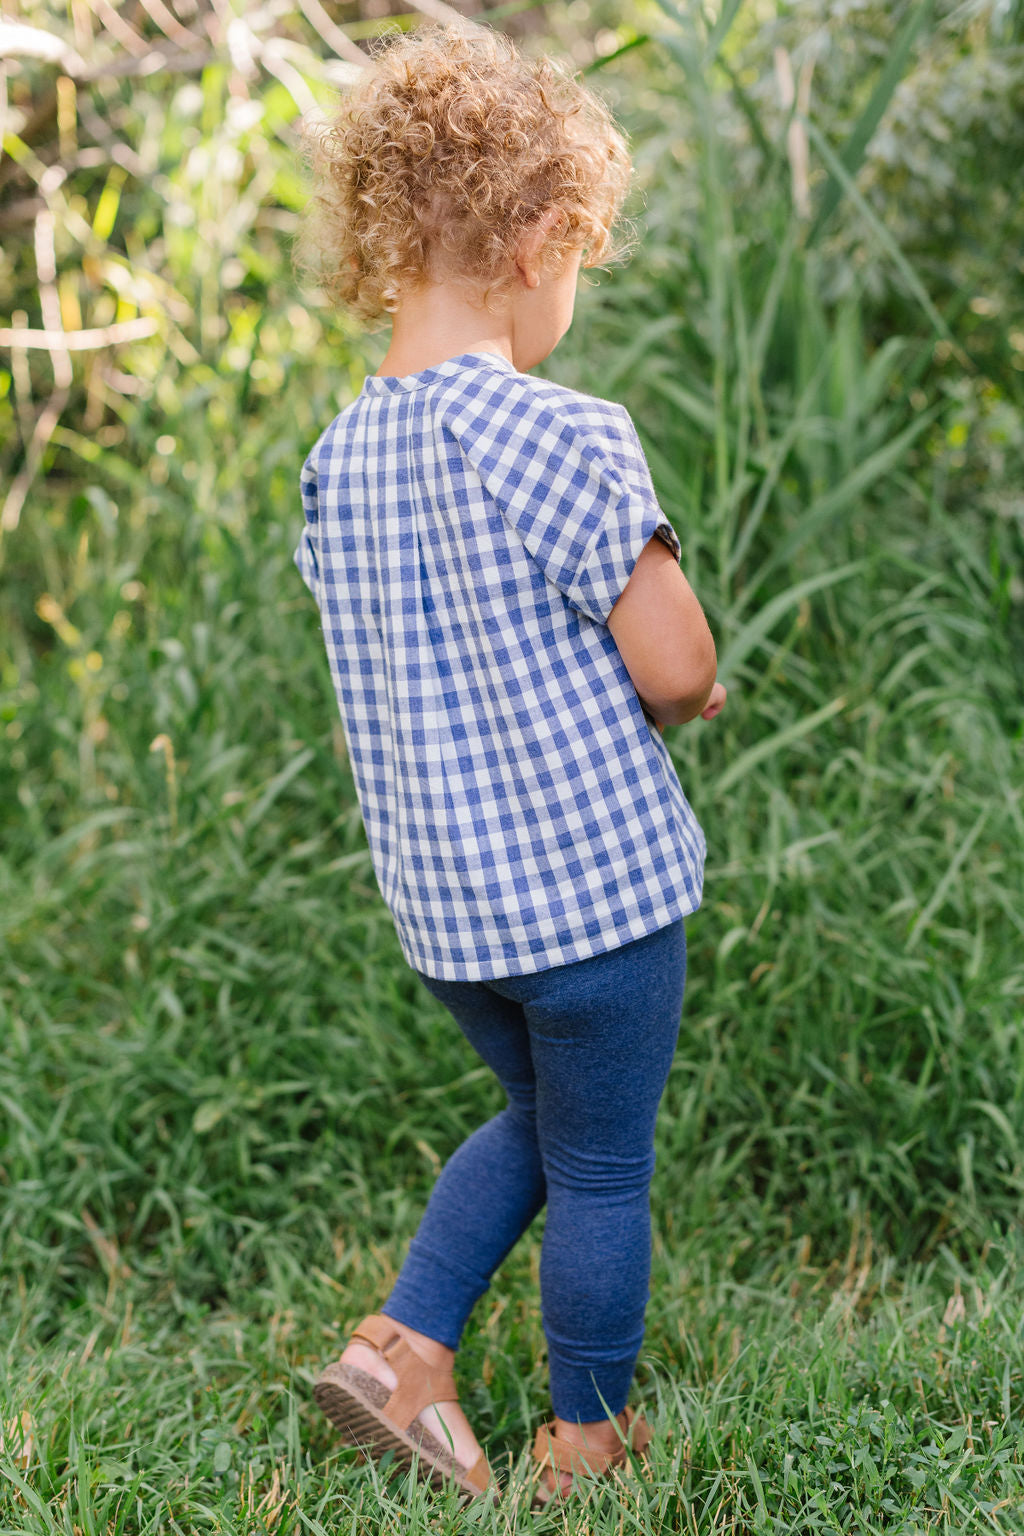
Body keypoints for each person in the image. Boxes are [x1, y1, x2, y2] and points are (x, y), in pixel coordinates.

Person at [292, 19, 727, 1508]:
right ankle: (587, 1446)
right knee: (602, 1163)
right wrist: (689, 694)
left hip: (452, 922)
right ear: (545, 237)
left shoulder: (335, 463)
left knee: (541, 1120)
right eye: (576, 267)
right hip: (597, 907)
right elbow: (676, 667)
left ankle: (403, 1348)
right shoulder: (560, 435)